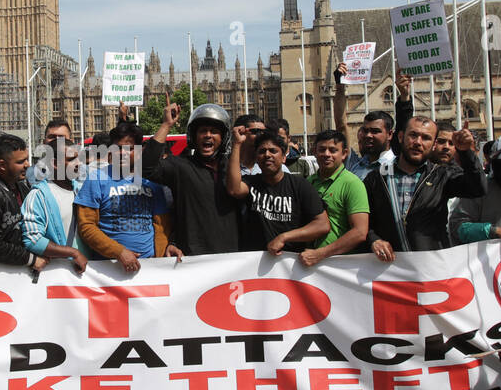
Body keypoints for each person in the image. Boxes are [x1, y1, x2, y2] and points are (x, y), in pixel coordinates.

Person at [365, 116, 484, 261]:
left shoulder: (442, 176)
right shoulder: (376, 178)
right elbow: (364, 222)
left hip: (431, 268)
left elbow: (478, 188)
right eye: (413, 135)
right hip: (389, 270)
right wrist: (374, 240)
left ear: (434, 144)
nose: (418, 142)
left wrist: (466, 153)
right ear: (401, 137)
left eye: (426, 138)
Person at [142, 99, 240, 257]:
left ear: (223, 137)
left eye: (214, 131)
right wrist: (166, 125)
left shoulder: (233, 169)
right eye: (203, 131)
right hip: (193, 256)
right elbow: (146, 167)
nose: (208, 135)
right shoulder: (180, 166)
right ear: (194, 137)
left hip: (231, 257)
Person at [75, 121, 171, 273]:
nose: (123, 153)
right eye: (117, 148)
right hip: (108, 270)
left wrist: (160, 258)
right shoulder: (96, 179)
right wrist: (118, 252)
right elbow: (86, 227)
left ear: (140, 150)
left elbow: (162, 226)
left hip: (150, 270)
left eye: (129, 148)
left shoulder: (152, 181)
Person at [226, 127, 329, 254]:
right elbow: (234, 190)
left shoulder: (300, 185)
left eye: (273, 151)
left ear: (283, 157)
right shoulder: (251, 183)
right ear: (257, 158)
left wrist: (284, 237)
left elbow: (322, 225)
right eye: (262, 151)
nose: (267, 155)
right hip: (254, 264)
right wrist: (237, 144)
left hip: (290, 265)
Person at [301, 130, 369, 266]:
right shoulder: (307, 182)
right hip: (309, 262)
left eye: (333, 150)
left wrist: (321, 254)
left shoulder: (352, 184)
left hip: (341, 266)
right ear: (314, 151)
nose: (327, 154)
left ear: (344, 154)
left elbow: (360, 232)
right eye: (322, 149)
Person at [331, 65, 413, 178]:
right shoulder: (354, 164)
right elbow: (341, 125)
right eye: (365, 130)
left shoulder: (398, 164)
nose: (368, 135)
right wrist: (340, 86)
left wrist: (404, 96)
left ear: (390, 134)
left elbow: (404, 124)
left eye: (375, 131)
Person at [21, 138, 88, 273]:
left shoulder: (83, 190)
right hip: (58, 276)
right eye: (71, 159)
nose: (79, 163)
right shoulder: (38, 196)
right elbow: (32, 239)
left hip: (90, 275)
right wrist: (73, 253)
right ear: (55, 163)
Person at [0, 134, 39, 269]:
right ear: (2, 165)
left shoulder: (24, 188)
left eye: (26, 159)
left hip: (24, 271)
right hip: (0, 275)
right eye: (21, 162)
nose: (27, 165)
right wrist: (30, 258)